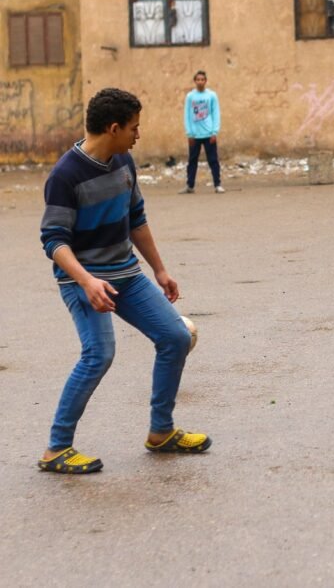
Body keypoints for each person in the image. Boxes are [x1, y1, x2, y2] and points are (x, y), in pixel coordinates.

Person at [38, 88, 211, 474]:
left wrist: (160, 269)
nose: (138, 134)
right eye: (134, 128)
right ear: (113, 128)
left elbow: (135, 218)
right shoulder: (65, 176)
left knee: (176, 337)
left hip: (126, 275)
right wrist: (86, 281)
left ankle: (161, 432)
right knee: (98, 355)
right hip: (82, 279)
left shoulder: (123, 161)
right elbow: (53, 242)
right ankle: (56, 448)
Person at [180, 70, 224, 194]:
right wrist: (189, 133)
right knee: (192, 161)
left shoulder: (211, 95)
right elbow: (187, 115)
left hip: (209, 134)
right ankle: (190, 185)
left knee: (213, 160)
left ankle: (217, 184)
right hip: (194, 135)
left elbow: (216, 113)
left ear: (205, 81)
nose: (200, 82)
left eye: (202, 79)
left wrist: (214, 132)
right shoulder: (190, 96)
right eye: (198, 79)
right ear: (195, 81)